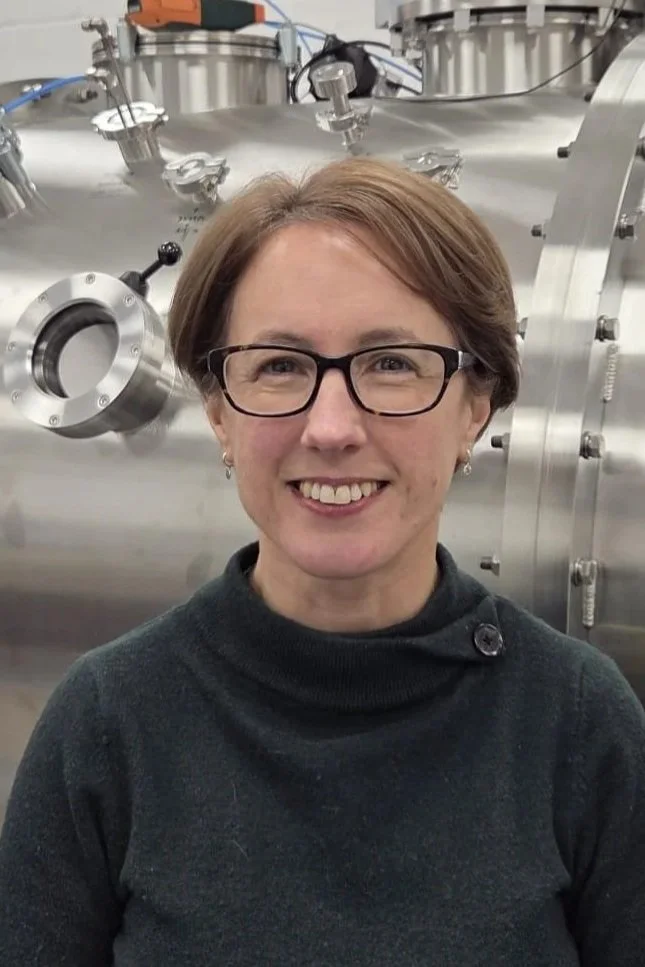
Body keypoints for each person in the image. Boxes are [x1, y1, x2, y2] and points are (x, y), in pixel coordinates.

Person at [1, 156, 644, 966]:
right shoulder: (107, 725)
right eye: (279, 366)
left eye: (391, 362)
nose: (331, 427)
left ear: (473, 409)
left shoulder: (577, 723)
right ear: (219, 414)